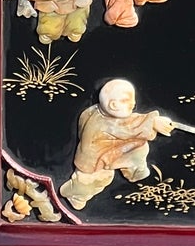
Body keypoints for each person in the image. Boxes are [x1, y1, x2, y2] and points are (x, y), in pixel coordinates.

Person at [59, 78, 179, 208]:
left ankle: (134, 170)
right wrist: (153, 123)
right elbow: (128, 127)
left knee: (139, 147)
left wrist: (153, 120)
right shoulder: (103, 124)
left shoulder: (95, 112)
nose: (133, 104)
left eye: (132, 99)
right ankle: (74, 194)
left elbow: (129, 121)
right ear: (113, 105)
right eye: (127, 100)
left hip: (106, 151)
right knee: (97, 180)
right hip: (95, 162)